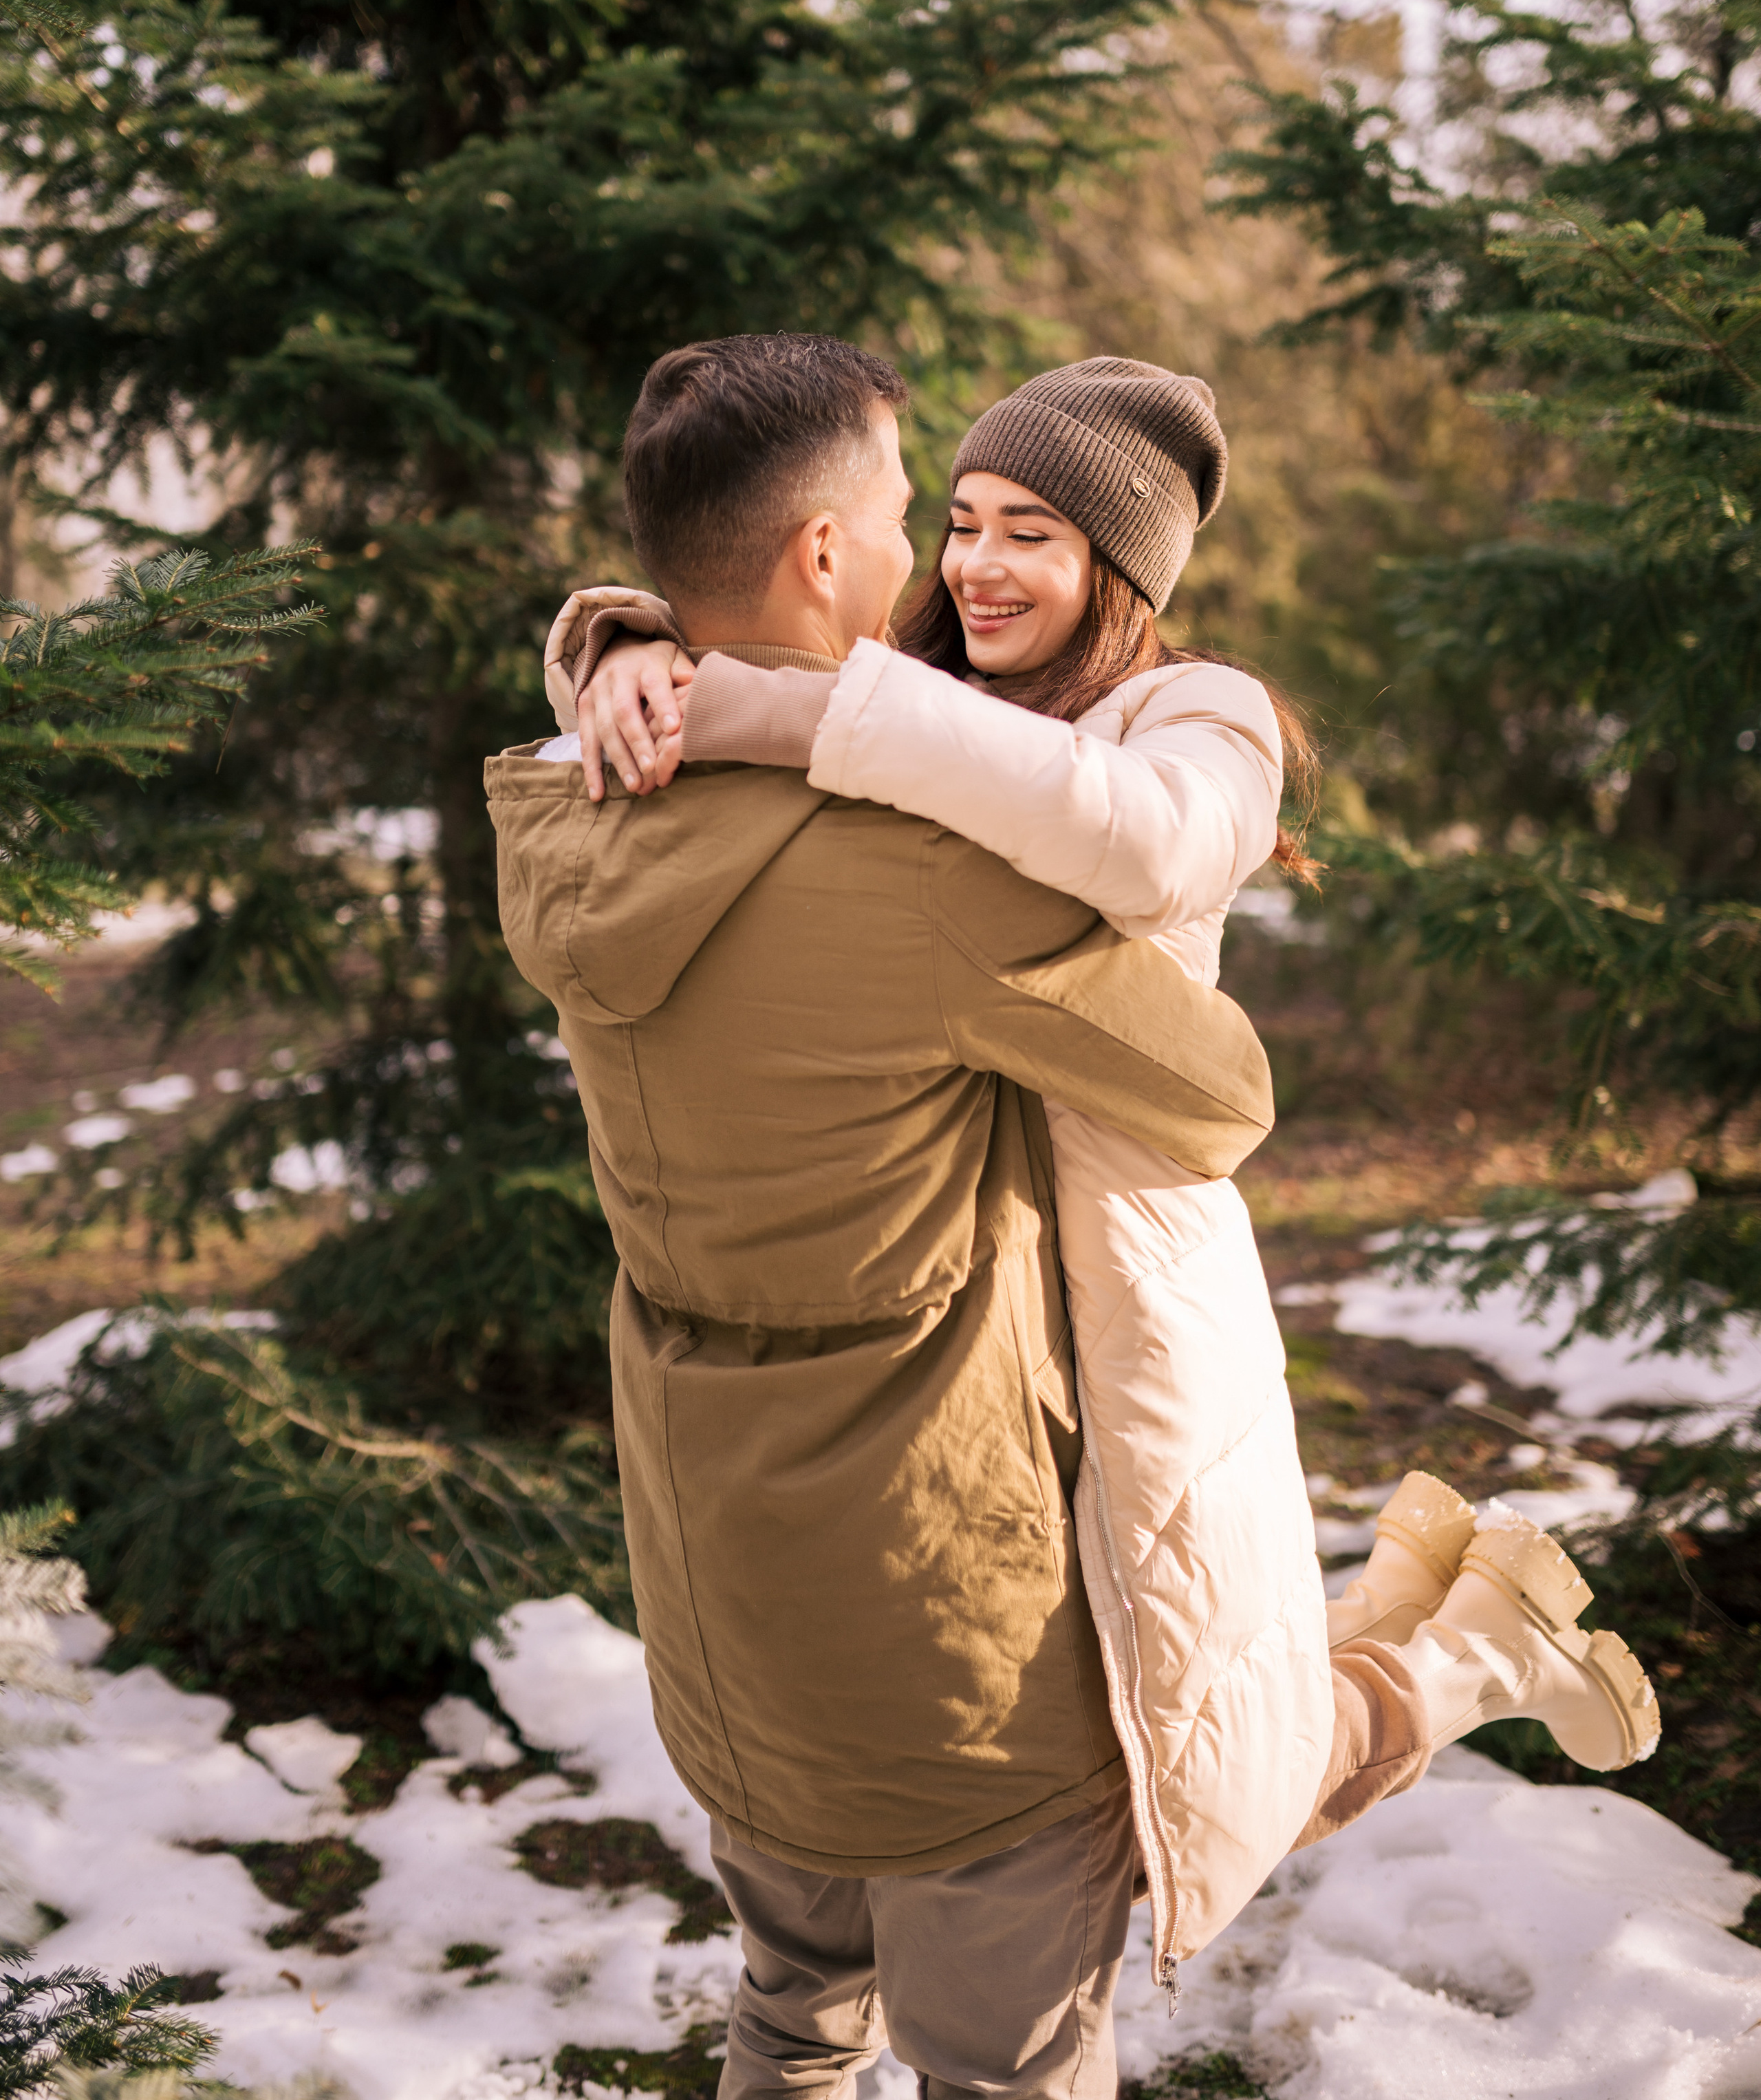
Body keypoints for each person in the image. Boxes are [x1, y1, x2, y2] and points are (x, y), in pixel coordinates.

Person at [542, 349, 1661, 2011]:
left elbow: (1136, 843)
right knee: (1140, 1756)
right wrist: (628, 642)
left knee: (1195, 1763)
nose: (980, 567)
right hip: (960, 1312)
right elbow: (746, 573)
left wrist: (775, 701)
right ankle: (1461, 1638)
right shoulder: (911, 684)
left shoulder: (1192, 716)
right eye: (964, 524)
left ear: (1119, 571)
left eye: (1036, 538)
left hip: (1116, 1289)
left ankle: (1464, 1656)